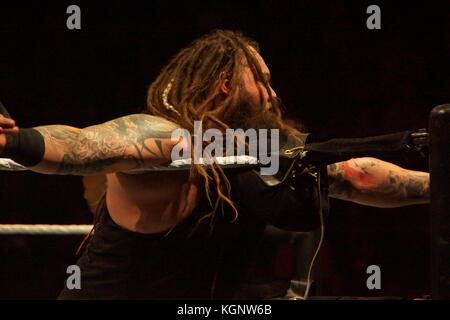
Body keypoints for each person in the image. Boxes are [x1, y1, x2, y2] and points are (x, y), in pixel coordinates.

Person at [0, 30, 430, 299]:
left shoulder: (261, 152)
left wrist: (440, 184)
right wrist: (11, 140)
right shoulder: (166, 141)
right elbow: (83, 145)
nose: (274, 94)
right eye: (263, 78)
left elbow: (350, 175)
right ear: (226, 84)